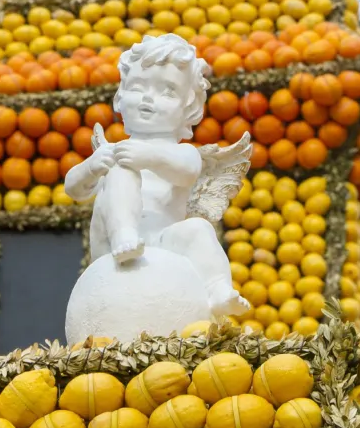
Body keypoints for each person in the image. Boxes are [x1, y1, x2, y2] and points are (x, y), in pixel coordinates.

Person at [63, 32, 249, 319]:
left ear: (189, 110)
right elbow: (74, 188)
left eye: (168, 91)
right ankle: (124, 230)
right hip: (111, 247)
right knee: (122, 169)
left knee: (198, 230)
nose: (149, 98)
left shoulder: (184, 154)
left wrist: (150, 157)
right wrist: (91, 167)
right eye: (138, 87)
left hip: (162, 246)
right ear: (119, 97)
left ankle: (217, 290)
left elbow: (187, 173)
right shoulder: (115, 152)